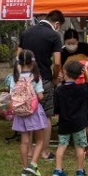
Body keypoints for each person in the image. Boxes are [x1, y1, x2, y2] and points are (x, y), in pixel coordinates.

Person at [18, 10, 65, 158]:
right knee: (46, 115)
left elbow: (17, 57)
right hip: (44, 79)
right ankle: (45, 151)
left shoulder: (26, 32)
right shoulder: (54, 36)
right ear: (56, 24)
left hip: (26, 80)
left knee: (28, 113)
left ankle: (30, 150)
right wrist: (55, 77)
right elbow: (57, 62)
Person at [54, 59, 88, 176]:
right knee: (80, 147)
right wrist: (86, 74)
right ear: (80, 74)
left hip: (64, 122)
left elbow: (56, 109)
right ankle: (80, 170)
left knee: (61, 145)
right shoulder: (82, 89)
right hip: (79, 123)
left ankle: (58, 169)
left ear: (64, 72)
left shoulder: (58, 90)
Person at [10, 50, 49, 176]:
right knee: (40, 140)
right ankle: (33, 165)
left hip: (20, 112)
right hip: (34, 112)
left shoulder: (14, 77)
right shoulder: (36, 77)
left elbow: (12, 95)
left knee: (24, 141)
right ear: (33, 62)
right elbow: (40, 96)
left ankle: (25, 168)